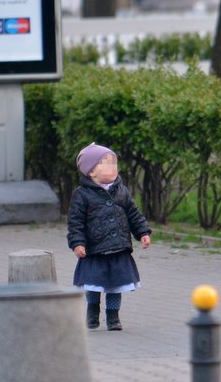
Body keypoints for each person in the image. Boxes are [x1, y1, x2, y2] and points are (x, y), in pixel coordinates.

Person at [67, 142, 151, 331]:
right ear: (90, 172)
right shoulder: (82, 195)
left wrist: (143, 232)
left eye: (114, 163)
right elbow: (76, 222)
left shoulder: (121, 191)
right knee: (94, 285)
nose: (112, 168)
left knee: (116, 286)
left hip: (118, 248)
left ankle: (113, 317)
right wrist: (77, 243)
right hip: (94, 250)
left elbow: (133, 214)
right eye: (105, 164)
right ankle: (92, 312)